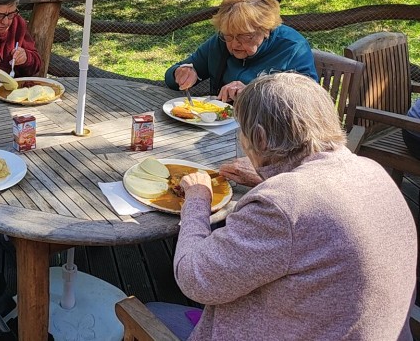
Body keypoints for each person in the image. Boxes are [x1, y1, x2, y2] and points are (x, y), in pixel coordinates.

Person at [149, 72, 417, 341]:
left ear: (260, 138)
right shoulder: (371, 169)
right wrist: (270, 176)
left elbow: (193, 277)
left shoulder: (280, 205)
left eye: (240, 129)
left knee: (151, 311)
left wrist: (197, 199)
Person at [165, 0, 317, 104]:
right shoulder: (220, 42)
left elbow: (309, 98)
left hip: (270, 132)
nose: (234, 44)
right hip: (220, 127)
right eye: (229, 36)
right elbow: (171, 77)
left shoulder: (292, 48)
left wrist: (253, 93)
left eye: (244, 37)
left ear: (266, 29)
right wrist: (180, 73)